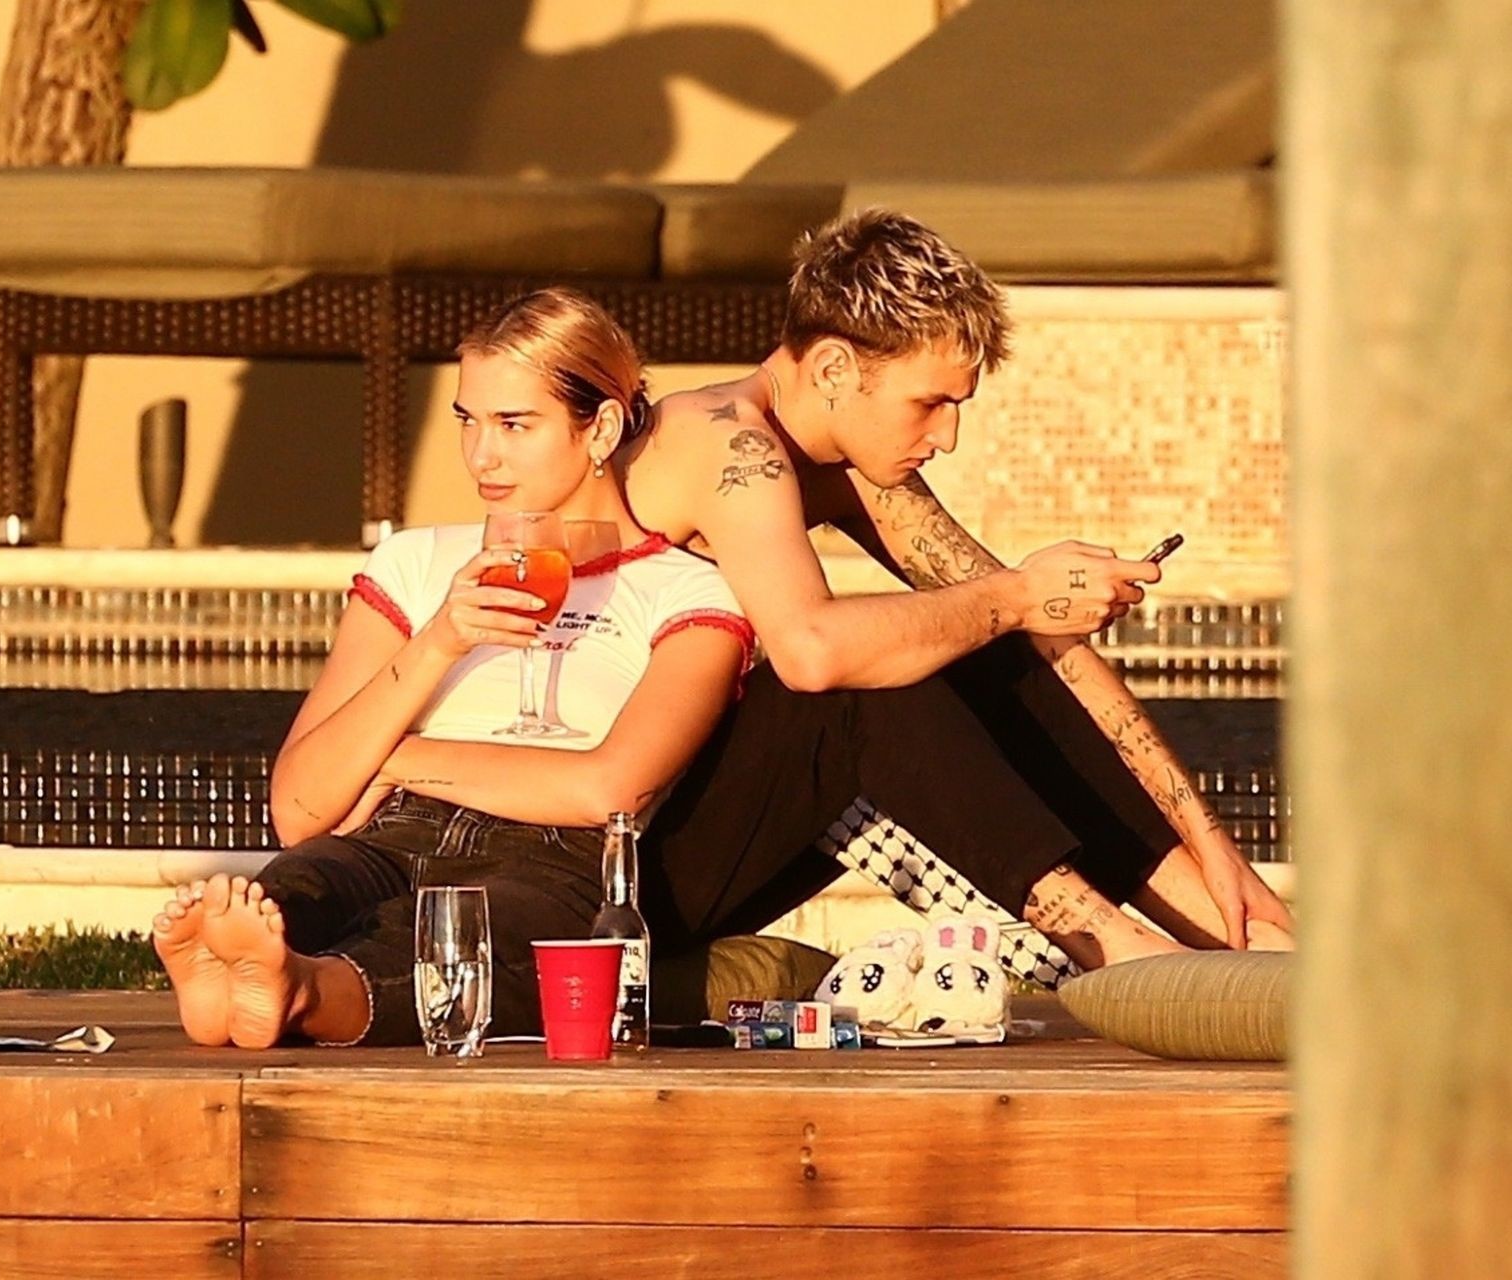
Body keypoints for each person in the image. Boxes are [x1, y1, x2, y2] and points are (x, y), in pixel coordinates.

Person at [617, 208, 1295, 957]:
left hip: (705, 835)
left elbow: (1041, 641)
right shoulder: (721, 439)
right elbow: (811, 650)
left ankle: (1234, 935)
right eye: (929, 403)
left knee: (983, 645)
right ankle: (1123, 955)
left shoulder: (849, 469)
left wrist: (1211, 845)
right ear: (834, 369)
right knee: (869, 680)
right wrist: (1019, 596)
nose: (947, 437)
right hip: (614, 878)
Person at [151, 288, 756, 1048]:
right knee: (304, 883)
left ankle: (298, 991)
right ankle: (241, 970)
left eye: (514, 425)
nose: (480, 456)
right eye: (468, 421)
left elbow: (610, 792)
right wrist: (438, 639)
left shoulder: (686, 591)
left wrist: (397, 758)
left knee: (470, 938)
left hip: (547, 852)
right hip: (391, 833)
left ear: (600, 428)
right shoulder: (416, 562)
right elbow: (300, 808)